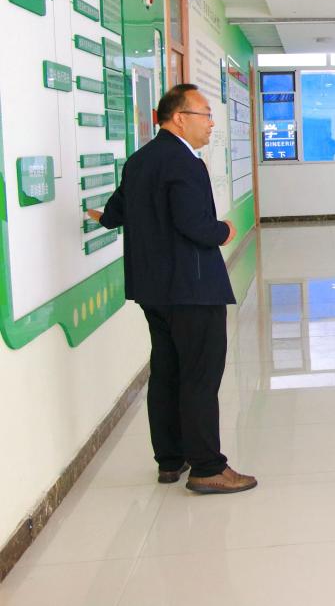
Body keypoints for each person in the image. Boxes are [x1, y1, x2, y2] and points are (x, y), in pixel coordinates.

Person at [87, 84, 255, 494]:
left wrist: (99, 217)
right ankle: (207, 467)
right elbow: (194, 225)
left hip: (153, 290)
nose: (211, 123)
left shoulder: (140, 160)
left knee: (167, 372)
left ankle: (170, 459)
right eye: (205, 114)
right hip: (192, 290)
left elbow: (117, 211)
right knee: (199, 376)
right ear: (179, 118)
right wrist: (224, 230)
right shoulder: (185, 163)